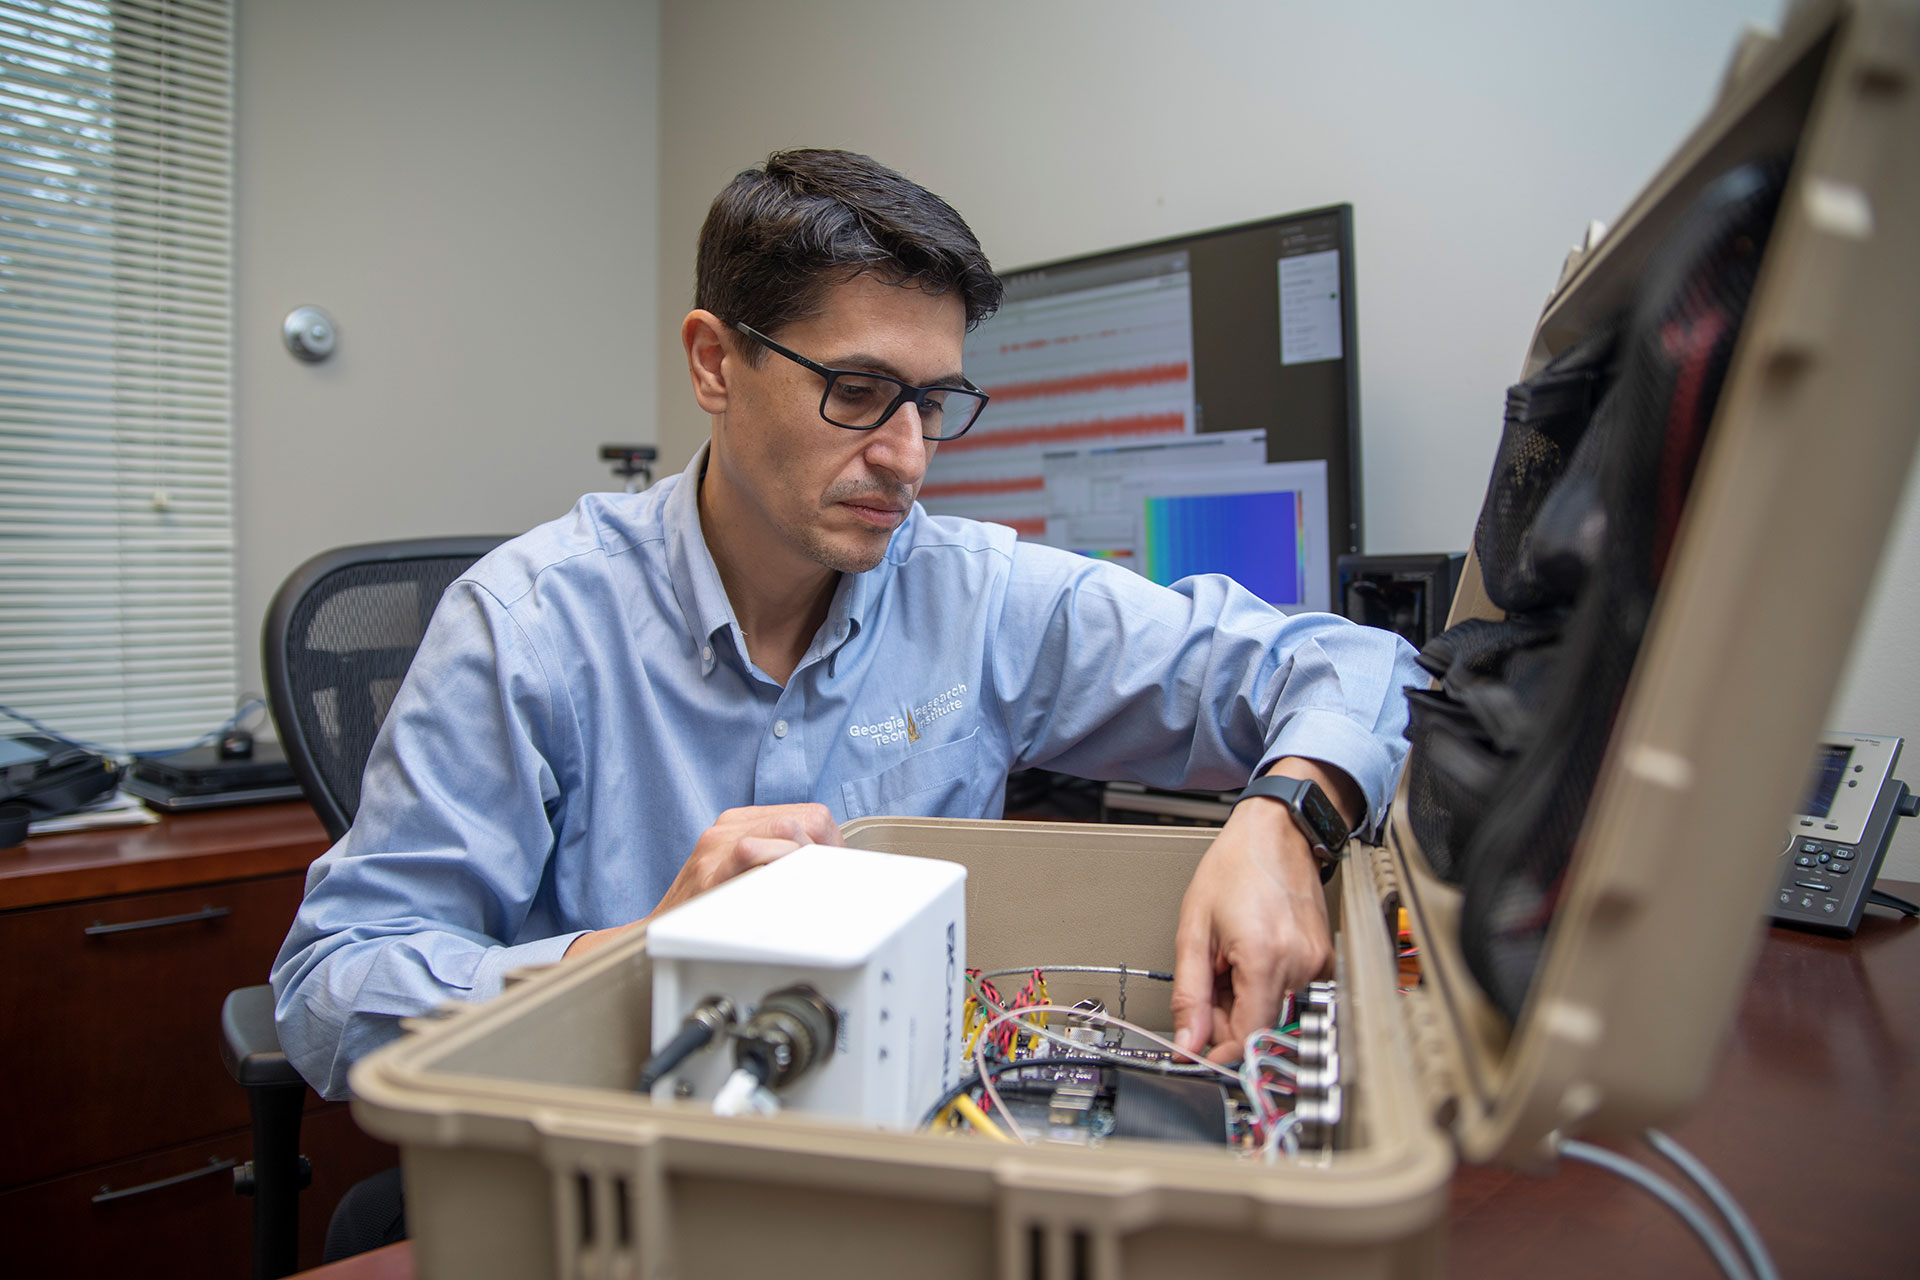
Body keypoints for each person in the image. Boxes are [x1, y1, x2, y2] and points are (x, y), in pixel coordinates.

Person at [272, 149, 1422, 1100]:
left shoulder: (975, 595)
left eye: (933, 402)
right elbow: (333, 989)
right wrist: (640, 956)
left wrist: (1284, 818)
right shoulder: (529, 626)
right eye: (859, 391)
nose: (907, 456)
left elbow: (1354, 663)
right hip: (630, 1174)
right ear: (715, 362)